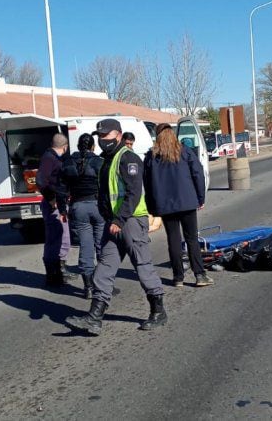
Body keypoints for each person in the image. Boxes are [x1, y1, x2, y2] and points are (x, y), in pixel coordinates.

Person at [65, 119, 167, 335]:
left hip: (130, 221)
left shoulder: (128, 158)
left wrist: (118, 220)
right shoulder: (105, 160)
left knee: (142, 265)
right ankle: (94, 317)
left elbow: (133, 193)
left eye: (106, 135)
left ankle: (158, 311)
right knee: (105, 267)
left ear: (118, 135)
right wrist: (107, 217)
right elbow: (104, 193)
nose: (102, 140)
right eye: (100, 136)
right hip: (113, 222)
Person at [144, 123, 212, 287]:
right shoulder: (184, 151)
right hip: (187, 201)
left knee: (173, 240)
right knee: (192, 239)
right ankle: (199, 275)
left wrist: (152, 207)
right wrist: (200, 198)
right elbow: (198, 174)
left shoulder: (151, 157)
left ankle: (178, 277)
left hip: (166, 205)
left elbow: (147, 184)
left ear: (158, 137)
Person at [61, 133, 105, 299]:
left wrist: (62, 208)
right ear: (93, 146)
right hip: (97, 205)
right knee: (102, 245)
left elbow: (61, 187)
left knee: (85, 247)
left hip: (78, 206)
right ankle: (102, 284)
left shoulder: (69, 163)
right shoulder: (99, 162)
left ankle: (88, 287)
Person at [36, 133, 75, 287]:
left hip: (58, 203)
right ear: (64, 147)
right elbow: (41, 181)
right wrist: (51, 198)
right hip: (53, 204)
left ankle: (60, 271)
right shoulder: (49, 158)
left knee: (63, 238)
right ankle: (53, 275)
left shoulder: (52, 158)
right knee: (55, 239)